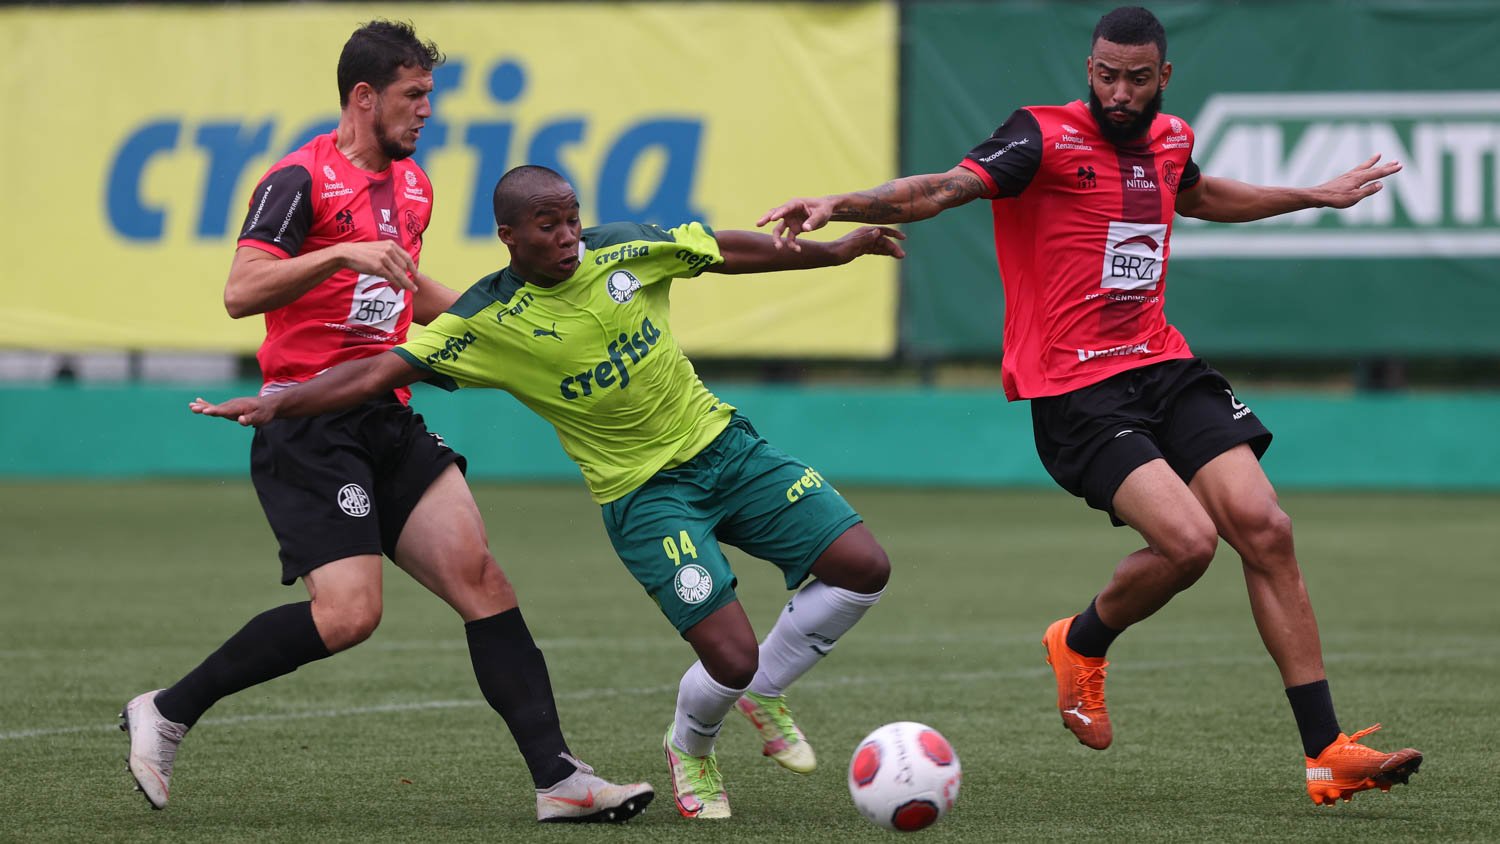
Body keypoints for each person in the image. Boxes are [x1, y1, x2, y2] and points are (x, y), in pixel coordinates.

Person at [757, 5, 1422, 807]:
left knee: (1267, 529)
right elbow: (941, 189)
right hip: (1075, 388)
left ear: (1163, 77)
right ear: (1089, 68)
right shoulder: (1040, 135)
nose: (1119, 90)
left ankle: (1328, 752)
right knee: (1187, 546)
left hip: (1163, 365)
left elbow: (1200, 195)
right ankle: (1081, 642)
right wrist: (844, 203)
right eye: (1106, 73)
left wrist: (1310, 195)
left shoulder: (1170, 137)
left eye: (1137, 78)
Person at [189, 164, 905, 820]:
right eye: (548, 226)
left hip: (726, 449)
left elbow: (724, 250)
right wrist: (280, 403)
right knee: (732, 657)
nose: (567, 238)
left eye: (571, 220)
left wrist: (836, 252)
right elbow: (378, 372)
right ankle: (692, 745)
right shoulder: (487, 320)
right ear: (508, 236)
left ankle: (766, 694)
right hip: (645, 496)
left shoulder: (624, 247)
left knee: (865, 567)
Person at [121, 21, 654, 824]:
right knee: (349, 617)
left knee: (483, 580)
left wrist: (515, 325)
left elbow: (411, 293)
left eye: (429, 96)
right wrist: (340, 255)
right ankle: (165, 709)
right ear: (364, 96)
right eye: (415, 96)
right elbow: (241, 290)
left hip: (387, 413)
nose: (426, 112)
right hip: (309, 422)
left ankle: (559, 778)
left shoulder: (414, 187)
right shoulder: (298, 179)